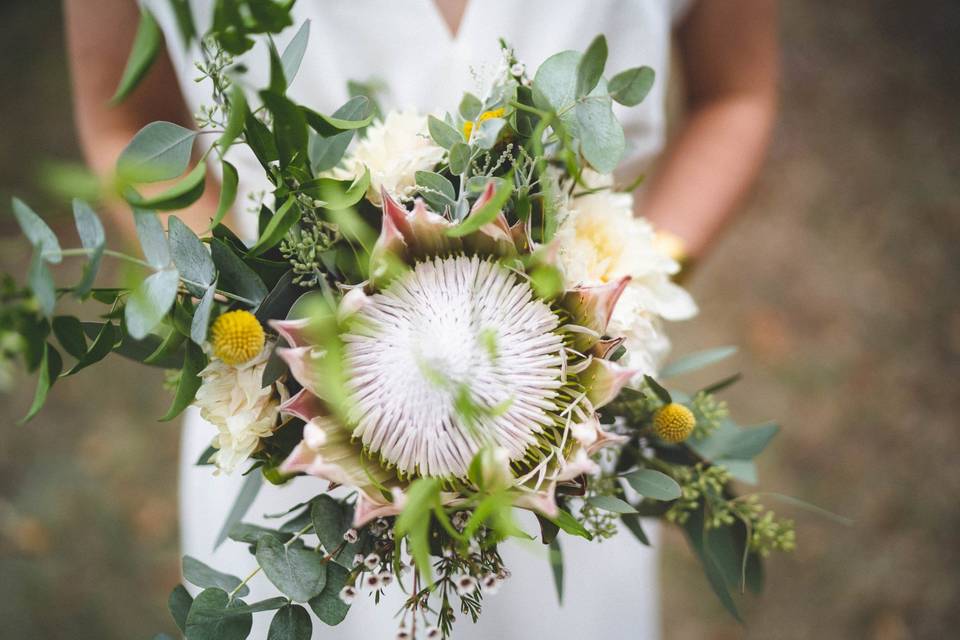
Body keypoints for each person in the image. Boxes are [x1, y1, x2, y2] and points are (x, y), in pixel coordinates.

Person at [65, 1, 777, 638]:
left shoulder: (581, 396)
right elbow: (124, 127)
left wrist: (624, 286)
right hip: (291, 425)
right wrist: (243, 312)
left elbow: (735, 96)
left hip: (570, 429)